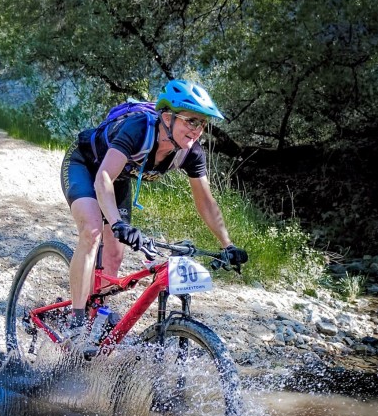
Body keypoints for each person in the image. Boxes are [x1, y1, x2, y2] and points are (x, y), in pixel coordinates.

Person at [60, 79, 248, 329]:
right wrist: (117, 223)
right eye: (191, 121)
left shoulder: (190, 151)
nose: (197, 130)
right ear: (167, 117)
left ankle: (98, 317)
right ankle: (77, 321)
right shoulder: (137, 129)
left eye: (202, 124)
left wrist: (228, 244)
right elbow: (103, 177)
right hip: (85, 164)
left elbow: (205, 201)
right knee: (92, 232)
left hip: (119, 177)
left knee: (115, 253)